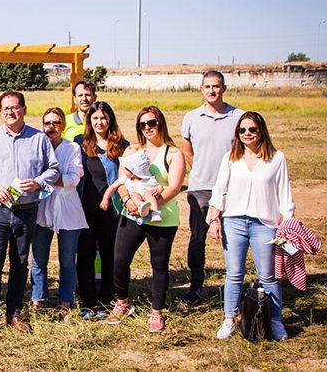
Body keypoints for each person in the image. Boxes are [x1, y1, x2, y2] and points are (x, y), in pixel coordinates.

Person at [0, 91, 60, 335]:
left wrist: (39, 182)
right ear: (0, 112)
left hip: (26, 211)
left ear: (24, 109)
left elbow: (53, 169)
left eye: (15, 107)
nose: (10, 112)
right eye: (6, 108)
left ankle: (15, 313)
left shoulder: (39, 139)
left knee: (20, 263)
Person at [207, 111, 294, 341]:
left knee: (269, 276)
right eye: (242, 130)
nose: (247, 134)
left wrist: (287, 224)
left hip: (265, 224)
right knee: (234, 274)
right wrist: (215, 220)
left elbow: (284, 195)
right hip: (234, 222)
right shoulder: (230, 158)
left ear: (261, 131)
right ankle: (229, 319)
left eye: (252, 129)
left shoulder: (276, 158)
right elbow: (219, 191)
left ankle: (275, 321)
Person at [108, 106, 185, 333]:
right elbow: (122, 181)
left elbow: (174, 187)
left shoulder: (173, 153)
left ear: (160, 123)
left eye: (152, 123)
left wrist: (149, 206)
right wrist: (128, 201)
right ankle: (122, 302)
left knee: (158, 264)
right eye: (143, 124)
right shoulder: (132, 150)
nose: (148, 128)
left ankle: (157, 311)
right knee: (119, 259)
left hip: (162, 217)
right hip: (131, 212)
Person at [180, 71, 244, 305]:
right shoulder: (191, 117)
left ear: (224, 89)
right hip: (200, 187)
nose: (211, 91)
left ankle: (234, 286)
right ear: (201, 89)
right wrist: (197, 167)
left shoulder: (238, 116)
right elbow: (187, 147)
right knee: (198, 238)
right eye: (207, 86)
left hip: (232, 188)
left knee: (233, 237)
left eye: (216, 86)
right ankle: (196, 285)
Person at [74, 101, 129, 319]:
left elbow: (128, 175)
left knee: (110, 255)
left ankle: (107, 300)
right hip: (85, 209)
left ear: (110, 120)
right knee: (85, 255)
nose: (100, 122)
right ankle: (88, 301)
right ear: (89, 121)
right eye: (95, 118)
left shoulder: (121, 145)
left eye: (104, 118)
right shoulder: (79, 143)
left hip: (112, 210)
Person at [30, 107, 87, 314]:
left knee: (67, 259)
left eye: (56, 123)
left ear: (63, 126)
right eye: (47, 123)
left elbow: (74, 178)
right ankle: (38, 298)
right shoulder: (36, 146)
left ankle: (66, 299)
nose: (51, 127)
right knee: (38, 258)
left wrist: (49, 178)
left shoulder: (72, 148)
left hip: (68, 208)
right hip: (42, 207)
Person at [100, 151, 163, 221]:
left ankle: (155, 213)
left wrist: (158, 191)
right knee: (134, 195)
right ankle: (141, 205)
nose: (124, 170)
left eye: (126, 169)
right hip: (135, 202)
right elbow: (112, 187)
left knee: (149, 196)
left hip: (146, 197)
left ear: (133, 173)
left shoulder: (147, 179)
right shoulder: (125, 178)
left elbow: (160, 187)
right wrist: (105, 198)